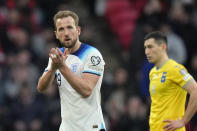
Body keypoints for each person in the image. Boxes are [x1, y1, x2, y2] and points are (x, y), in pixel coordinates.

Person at [37, 10, 106, 131]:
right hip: (66, 128)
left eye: (70, 27)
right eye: (61, 29)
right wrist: (52, 69)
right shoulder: (57, 56)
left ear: (78, 30)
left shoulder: (92, 54)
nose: (66, 33)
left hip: (91, 127)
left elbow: (86, 90)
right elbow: (41, 88)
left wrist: (62, 67)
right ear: (56, 34)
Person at [144, 31, 197, 131]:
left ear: (163, 47)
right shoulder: (152, 72)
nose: (147, 52)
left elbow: (195, 91)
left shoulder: (175, 69)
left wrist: (183, 121)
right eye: (145, 47)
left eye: (150, 47)